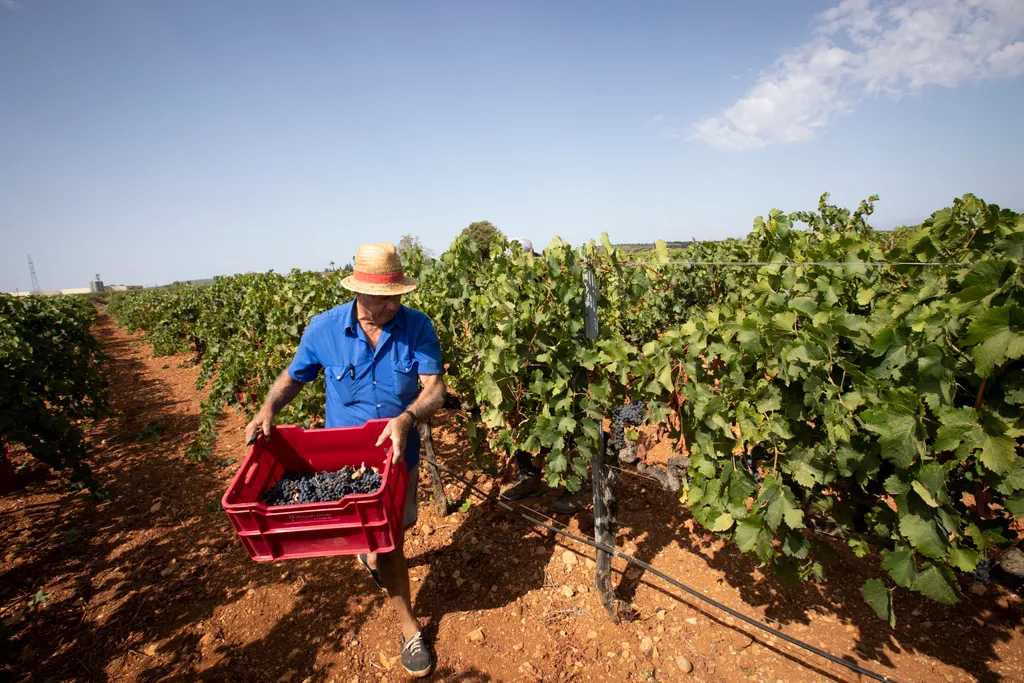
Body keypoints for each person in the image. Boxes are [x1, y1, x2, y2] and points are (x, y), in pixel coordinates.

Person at [244, 242, 445, 678]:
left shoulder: (417, 326)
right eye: (382, 298)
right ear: (358, 292)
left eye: (397, 296)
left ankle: (370, 554)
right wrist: (268, 408)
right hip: (349, 464)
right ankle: (411, 630)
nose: (392, 305)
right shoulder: (324, 330)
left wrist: (408, 418)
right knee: (391, 543)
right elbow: (294, 377)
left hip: (399, 452)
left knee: (403, 523)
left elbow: (435, 388)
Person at [498, 237, 586, 515]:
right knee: (522, 419)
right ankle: (531, 480)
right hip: (526, 367)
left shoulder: (548, 279)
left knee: (569, 425)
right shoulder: (509, 285)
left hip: (559, 365)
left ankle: (577, 488)